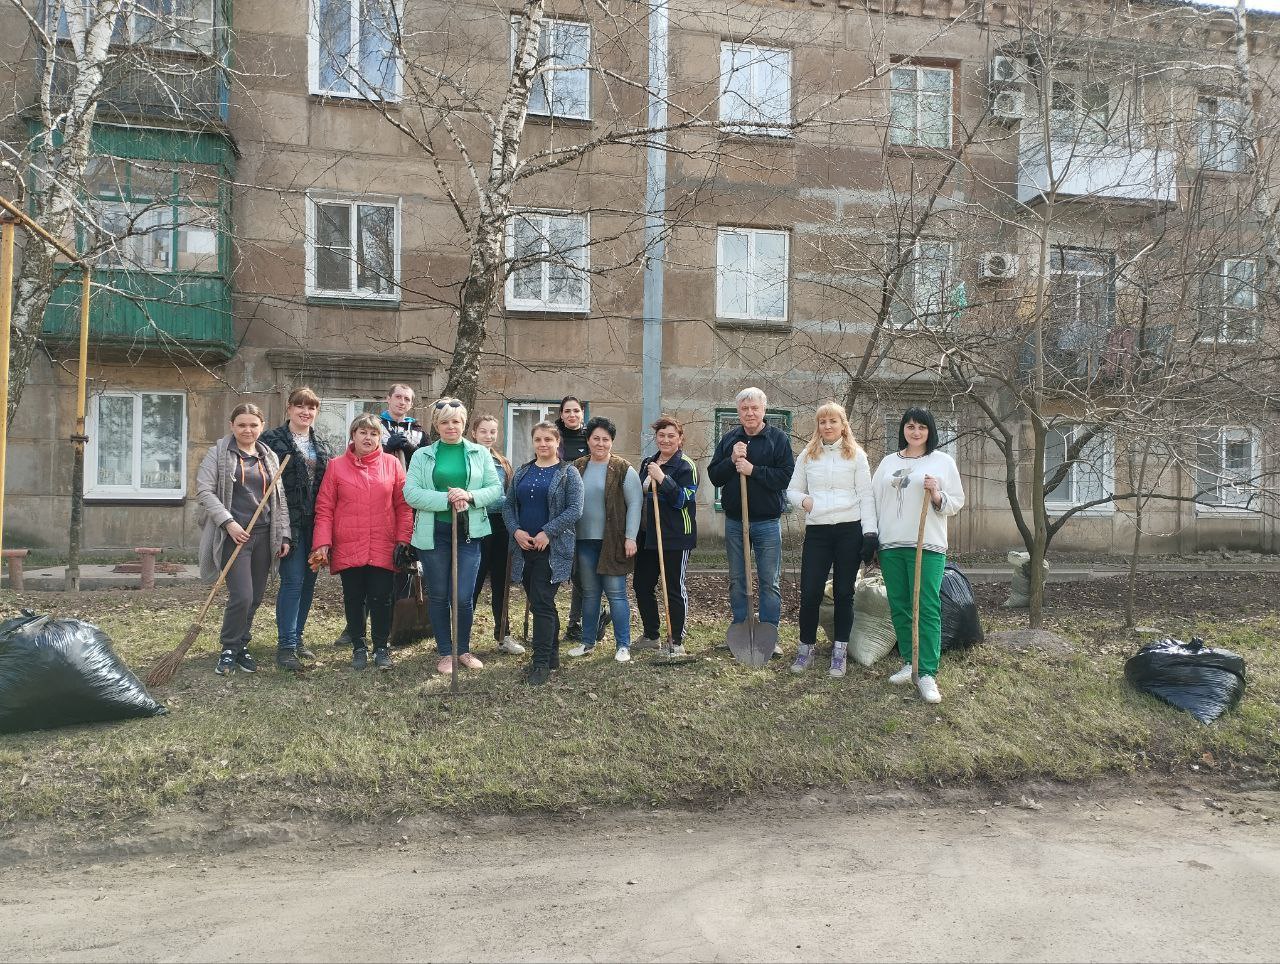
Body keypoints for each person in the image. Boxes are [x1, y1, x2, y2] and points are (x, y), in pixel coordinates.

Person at [870, 406, 965, 704]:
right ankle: (909, 662)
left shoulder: (942, 462)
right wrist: (872, 538)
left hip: (928, 544)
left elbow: (957, 502)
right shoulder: (887, 463)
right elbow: (872, 501)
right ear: (903, 429)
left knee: (925, 606)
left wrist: (937, 495)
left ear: (930, 430)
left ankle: (926, 673)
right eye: (910, 426)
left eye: (921, 427)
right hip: (892, 544)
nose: (915, 431)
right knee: (899, 605)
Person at [404, 398, 503, 675]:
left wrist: (469, 495)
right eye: (445, 422)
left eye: (456, 421)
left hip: (469, 532)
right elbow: (410, 493)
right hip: (434, 533)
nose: (451, 426)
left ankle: (463, 649)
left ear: (463, 424)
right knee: (439, 595)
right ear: (437, 425)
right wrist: (447, 498)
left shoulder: (479, 453)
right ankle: (446, 652)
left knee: (463, 596)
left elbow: (494, 489)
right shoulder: (423, 455)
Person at [195, 403, 292, 675]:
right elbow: (205, 492)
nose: (247, 430)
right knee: (242, 595)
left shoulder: (269, 456)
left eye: (253, 425)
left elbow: (279, 498)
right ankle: (228, 647)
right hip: (233, 536)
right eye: (242, 425)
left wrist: (284, 533)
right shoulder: (218, 454)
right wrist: (229, 523)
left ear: (261, 427)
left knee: (256, 596)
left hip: (264, 534)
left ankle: (241, 645)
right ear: (232, 426)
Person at [312, 413, 414, 670]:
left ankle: (381, 648)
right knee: (354, 598)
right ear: (353, 435)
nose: (368, 438)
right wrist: (322, 542)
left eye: (373, 433)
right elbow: (325, 507)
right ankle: (358, 647)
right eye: (363, 432)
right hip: (349, 542)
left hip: (383, 541)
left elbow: (403, 507)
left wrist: (404, 539)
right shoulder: (336, 466)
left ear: (380, 438)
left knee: (382, 597)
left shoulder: (392, 464)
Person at [785, 402, 878, 678]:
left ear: (843, 425)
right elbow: (791, 490)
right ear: (818, 426)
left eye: (833, 421)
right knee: (811, 592)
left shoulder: (856, 455)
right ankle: (806, 648)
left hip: (849, 531)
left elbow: (866, 496)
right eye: (823, 422)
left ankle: (839, 653)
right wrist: (805, 501)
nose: (827, 426)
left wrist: (870, 533)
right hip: (818, 532)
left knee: (843, 593)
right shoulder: (808, 455)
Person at [706, 386, 795, 655]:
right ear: (738, 412)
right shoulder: (729, 440)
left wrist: (752, 470)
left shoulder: (778, 439)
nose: (750, 413)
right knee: (737, 578)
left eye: (754, 408)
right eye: (744, 408)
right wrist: (732, 460)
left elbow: (785, 477)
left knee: (769, 580)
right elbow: (714, 477)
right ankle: (741, 628)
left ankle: (769, 634)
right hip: (735, 521)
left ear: (764, 410)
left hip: (767, 522)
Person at [502, 420, 584, 686]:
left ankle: (540, 664)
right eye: (538, 439)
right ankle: (552, 656)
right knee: (542, 602)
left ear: (557, 442)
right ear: (533, 442)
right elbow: (508, 507)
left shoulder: (568, 473)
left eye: (548, 439)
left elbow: (574, 510)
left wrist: (547, 532)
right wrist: (516, 531)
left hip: (553, 549)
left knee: (541, 601)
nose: (543, 444)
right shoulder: (523, 472)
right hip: (524, 548)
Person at [262, 387, 335, 672]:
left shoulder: (323, 445)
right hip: (287, 524)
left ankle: (298, 637)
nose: (306, 412)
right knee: (292, 581)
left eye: (311, 408)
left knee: (309, 582)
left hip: (315, 524)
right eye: (300, 406)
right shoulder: (272, 442)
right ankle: (286, 646)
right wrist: (280, 529)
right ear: (289, 409)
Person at [568, 416, 642, 662]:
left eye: (606, 439)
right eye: (596, 438)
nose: (600, 443)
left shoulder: (623, 469)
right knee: (589, 594)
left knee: (616, 593)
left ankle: (623, 645)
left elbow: (635, 505)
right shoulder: (577, 466)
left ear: (612, 442)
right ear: (588, 440)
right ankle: (587, 642)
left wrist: (630, 537)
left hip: (612, 541)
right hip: (583, 542)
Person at [634, 414, 698, 657]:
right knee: (642, 585)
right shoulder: (648, 462)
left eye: (671, 435)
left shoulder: (686, 466)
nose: (666, 439)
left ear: (680, 439)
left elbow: (682, 500)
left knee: (673, 587)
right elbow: (640, 494)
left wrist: (663, 478)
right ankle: (651, 635)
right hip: (648, 535)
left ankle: (677, 640)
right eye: (662, 435)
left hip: (675, 537)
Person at [470, 413, 525, 655]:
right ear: (474, 433)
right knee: (473, 582)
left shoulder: (502, 461)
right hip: (475, 526)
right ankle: (460, 637)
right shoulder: (467, 457)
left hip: (501, 527)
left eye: (492, 431)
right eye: (483, 431)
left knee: (502, 583)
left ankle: (503, 635)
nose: (488, 436)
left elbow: (508, 495)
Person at [556, 395, 593, 641]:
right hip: (556, 510)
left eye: (576, 411)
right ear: (561, 414)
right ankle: (547, 622)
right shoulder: (552, 435)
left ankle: (575, 622)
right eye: (567, 411)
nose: (572, 415)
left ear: (582, 413)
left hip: (583, 509)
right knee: (555, 568)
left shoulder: (590, 438)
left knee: (581, 572)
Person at [379, 383, 425, 469]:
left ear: (411, 405)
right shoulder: (374, 426)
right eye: (398, 397)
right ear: (388, 399)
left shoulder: (419, 431)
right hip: (379, 479)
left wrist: (410, 448)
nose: (402, 402)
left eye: (407, 399)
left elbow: (427, 462)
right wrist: (387, 448)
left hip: (411, 481)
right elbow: (363, 457)